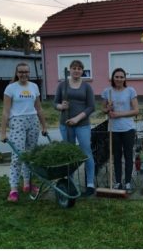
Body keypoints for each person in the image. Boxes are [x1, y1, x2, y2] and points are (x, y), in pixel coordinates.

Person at [0, 63, 48, 202]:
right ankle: (13, 189)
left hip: (33, 121)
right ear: (16, 73)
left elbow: (39, 108)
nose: (23, 74)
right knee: (18, 156)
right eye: (21, 72)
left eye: (26, 72)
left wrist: (44, 125)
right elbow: (5, 111)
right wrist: (3, 132)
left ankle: (28, 184)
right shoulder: (11, 88)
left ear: (29, 72)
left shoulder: (34, 86)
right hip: (17, 122)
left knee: (30, 155)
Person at [53, 59, 96, 196]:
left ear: (82, 71)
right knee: (69, 154)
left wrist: (77, 118)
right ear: (70, 70)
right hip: (65, 124)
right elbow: (55, 103)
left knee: (86, 152)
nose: (76, 70)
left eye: (79, 68)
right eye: (74, 68)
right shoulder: (62, 85)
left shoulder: (86, 87)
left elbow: (91, 107)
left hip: (82, 125)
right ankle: (70, 181)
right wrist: (61, 106)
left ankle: (90, 183)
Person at [101, 68, 139, 191]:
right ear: (113, 78)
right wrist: (108, 108)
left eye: (121, 77)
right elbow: (103, 110)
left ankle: (127, 182)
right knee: (116, 156)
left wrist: (119, 114)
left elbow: (136, 111)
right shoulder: (107, 92)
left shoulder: (130, 91)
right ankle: (118, 182)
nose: (119, 79)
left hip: (128, 128)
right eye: (116, 77)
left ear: (125, 78)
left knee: (128, 155)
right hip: (114, 129)